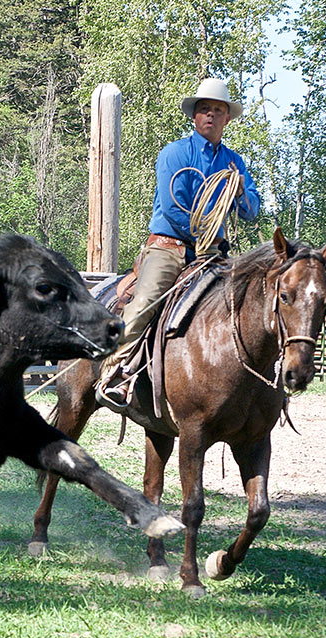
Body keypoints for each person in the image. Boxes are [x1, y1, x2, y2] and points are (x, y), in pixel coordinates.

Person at [96, 77, 262, 408]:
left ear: (227, 118)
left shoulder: (235, 163)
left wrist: (241, 189)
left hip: (214, 253)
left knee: (249, 302)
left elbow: (251, 211)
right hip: (170, 246)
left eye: (218, 110)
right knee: (145, 300)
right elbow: (173, 210)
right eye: (204, 110)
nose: (211, 116)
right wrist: (205, 233)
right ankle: (115, 372)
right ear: (194, 116)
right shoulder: (174, 153)